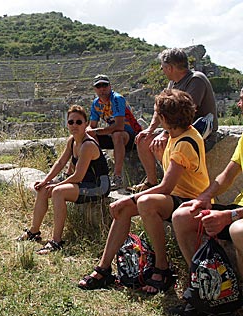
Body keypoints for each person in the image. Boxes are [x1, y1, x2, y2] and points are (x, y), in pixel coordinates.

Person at [78, 89, 210, 294]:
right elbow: (173, 178)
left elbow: (166, 187)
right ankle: (103, 269)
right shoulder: (177, 134)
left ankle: (162, 268)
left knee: (144, 202)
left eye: (157, 114)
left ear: (165, 118)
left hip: (190, 199)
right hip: (177, 195)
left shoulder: (184, 142)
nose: (155, 118)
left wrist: (128, 198)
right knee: (126, 209)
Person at [171, 87, 243, 315]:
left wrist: (229, 216)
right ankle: (207, 291)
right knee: (183, 216)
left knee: (239, 231)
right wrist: (203, 198)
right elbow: (226, 176)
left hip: (239, 218)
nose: (239, 104)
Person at [16, 105, 110, 254]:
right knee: (43, 189)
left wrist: (56, 185)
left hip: (98, 185)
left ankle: (56, 241)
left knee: (58, 191)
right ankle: (34, 231)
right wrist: (46, 181)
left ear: (86, 124)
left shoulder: (88, 145)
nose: (74, 125)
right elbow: (60, 163)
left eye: (79, 122)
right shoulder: (72, 141)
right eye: (71, 122)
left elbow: (78, 175)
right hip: (82, 182)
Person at [129, 48, 217, 193]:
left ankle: (169, 186)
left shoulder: (196, 80)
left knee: (161, 143)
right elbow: (161, 109)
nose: (162, 70)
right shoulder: (173, 84)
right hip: (176, 129)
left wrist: (164, 133)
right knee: (143, 140)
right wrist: (150, 130)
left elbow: (184, 111)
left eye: (163, 67)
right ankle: (152, 182)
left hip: (195, 132)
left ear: (170, 67)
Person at [87, 74, 142, 190]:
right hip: (114, 134)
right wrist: (88, 132)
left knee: (117, 135)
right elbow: (92, 126)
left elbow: (119, 126)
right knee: (88, 139)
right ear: (95, 89)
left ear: (110, 86)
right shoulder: (96, 104)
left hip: (131, 135)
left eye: (105, 85)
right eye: (99, 86)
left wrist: (96, 131)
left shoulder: (117, 99)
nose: (102, 89)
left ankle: (117, 177)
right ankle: (95, 174)